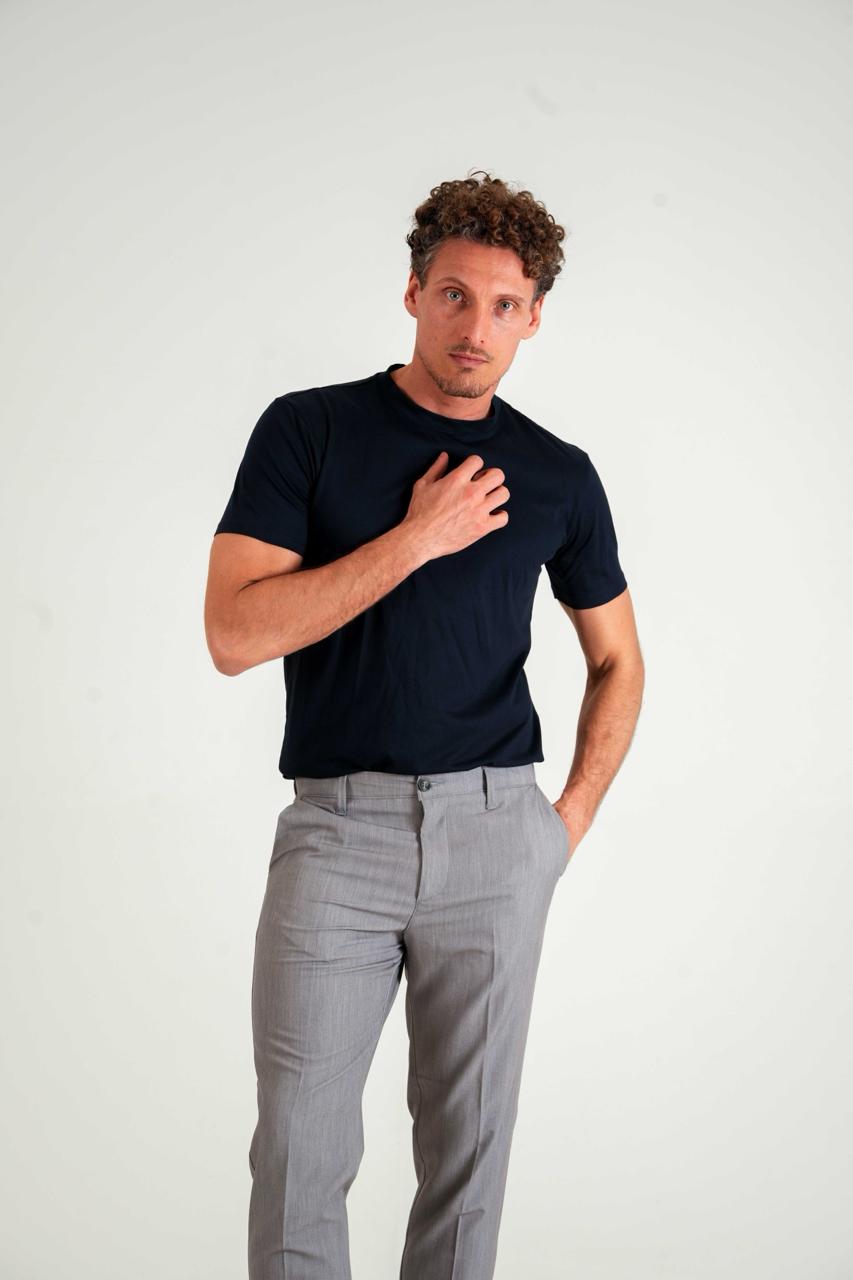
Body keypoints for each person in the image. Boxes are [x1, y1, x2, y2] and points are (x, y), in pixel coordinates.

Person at [204, 169, 644, 1280]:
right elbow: (234, 633)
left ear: (533, 317)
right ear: (412, 293)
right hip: (336, 835)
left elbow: (617, 660)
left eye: (503, 305)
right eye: (454, 294)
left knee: (468, 1162)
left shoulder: (558, 475)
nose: (474, 327)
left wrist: (563, 823)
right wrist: (415, 539)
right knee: (298, 1156)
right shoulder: (309, 429)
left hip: (497, 838)